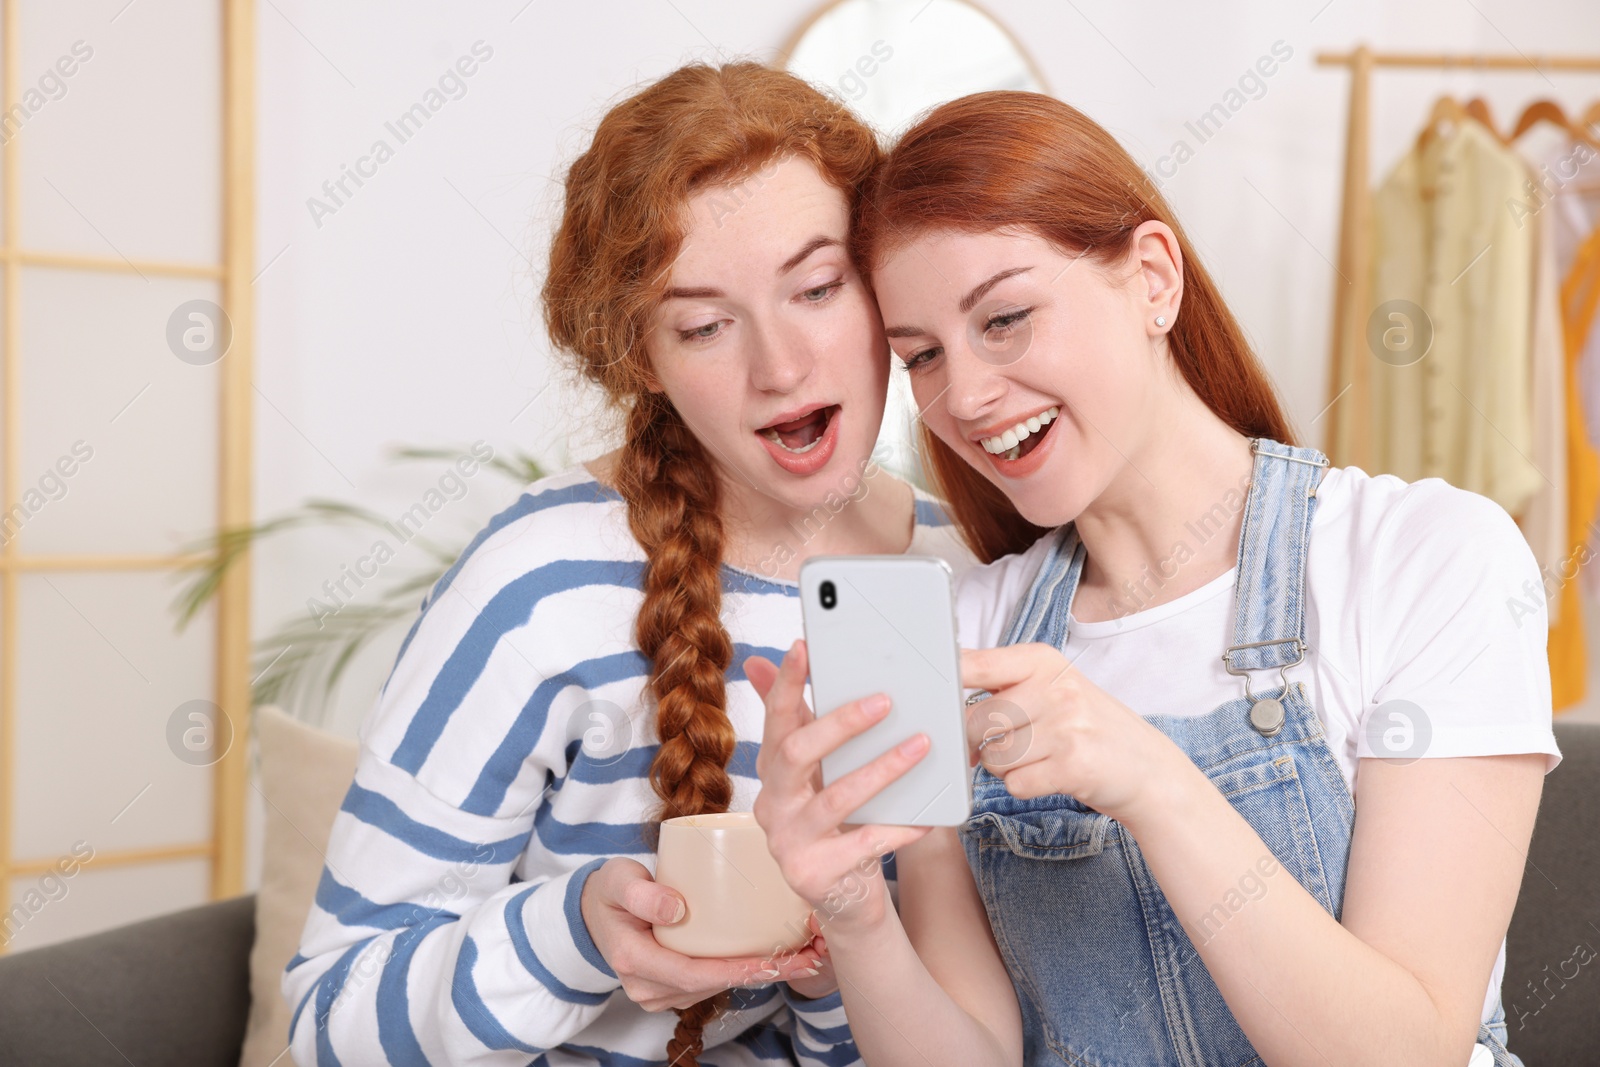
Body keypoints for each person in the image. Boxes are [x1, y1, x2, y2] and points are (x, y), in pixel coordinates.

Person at [748, 90, 1561, 1067]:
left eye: (1003, 318)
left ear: (1151, 279)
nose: (960, 396)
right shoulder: (971, 630)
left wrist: (1150, 780)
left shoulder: (1426, 558)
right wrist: (852, 912)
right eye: (921, 355)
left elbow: (1406, 1050)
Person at [283, 62, 974, 1067]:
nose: (779, 366)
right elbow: (328, 1024)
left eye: (818, 287)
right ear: (643, 356)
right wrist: (575, 932)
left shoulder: (962, 571)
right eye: (702, 324)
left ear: (881, 284)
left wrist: (830, 959)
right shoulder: (541, 583)